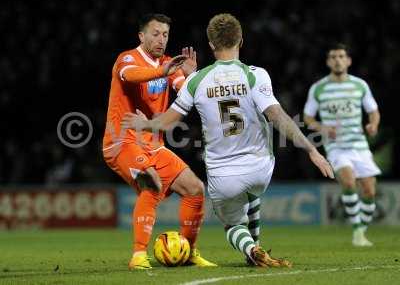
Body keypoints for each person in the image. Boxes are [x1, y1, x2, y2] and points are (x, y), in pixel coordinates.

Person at [122, 13, 334, 267]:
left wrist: (145, 124)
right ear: (241, 41)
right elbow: (278, 116)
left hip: (224, 176)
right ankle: (254, 249)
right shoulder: (256, 75)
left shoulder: (196, 81)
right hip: (261, 169)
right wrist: (311, 150)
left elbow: (168, 121)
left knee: (232, 224)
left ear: (211, 45)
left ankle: (249, 248)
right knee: (252, 193)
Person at [102, 13, 216, 269]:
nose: (161, 39)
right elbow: (131, 76)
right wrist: (161, 71)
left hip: (153, 144)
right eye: (155, 33)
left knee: (195, 189)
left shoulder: (168, 64)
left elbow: (185, 92)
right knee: (151, 183)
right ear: (141, 36)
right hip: (122, 142)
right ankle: (138, 255)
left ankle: (187, 252)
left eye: (165, 34)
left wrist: (191, 77)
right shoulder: (127, 59)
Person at [304, 43, 381, 247]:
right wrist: (322, 128)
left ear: (348, 61)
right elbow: (307, 117)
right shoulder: (319, 88)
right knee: (348, 182)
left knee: (370, 191)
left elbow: (373, 110)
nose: (337, 60)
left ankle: (361, 230)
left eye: (341, 56)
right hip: (336, 147)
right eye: (333, 57)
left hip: (359, 145)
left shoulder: (360, 85)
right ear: (328, 62)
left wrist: (373, 124)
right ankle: (357, 232)